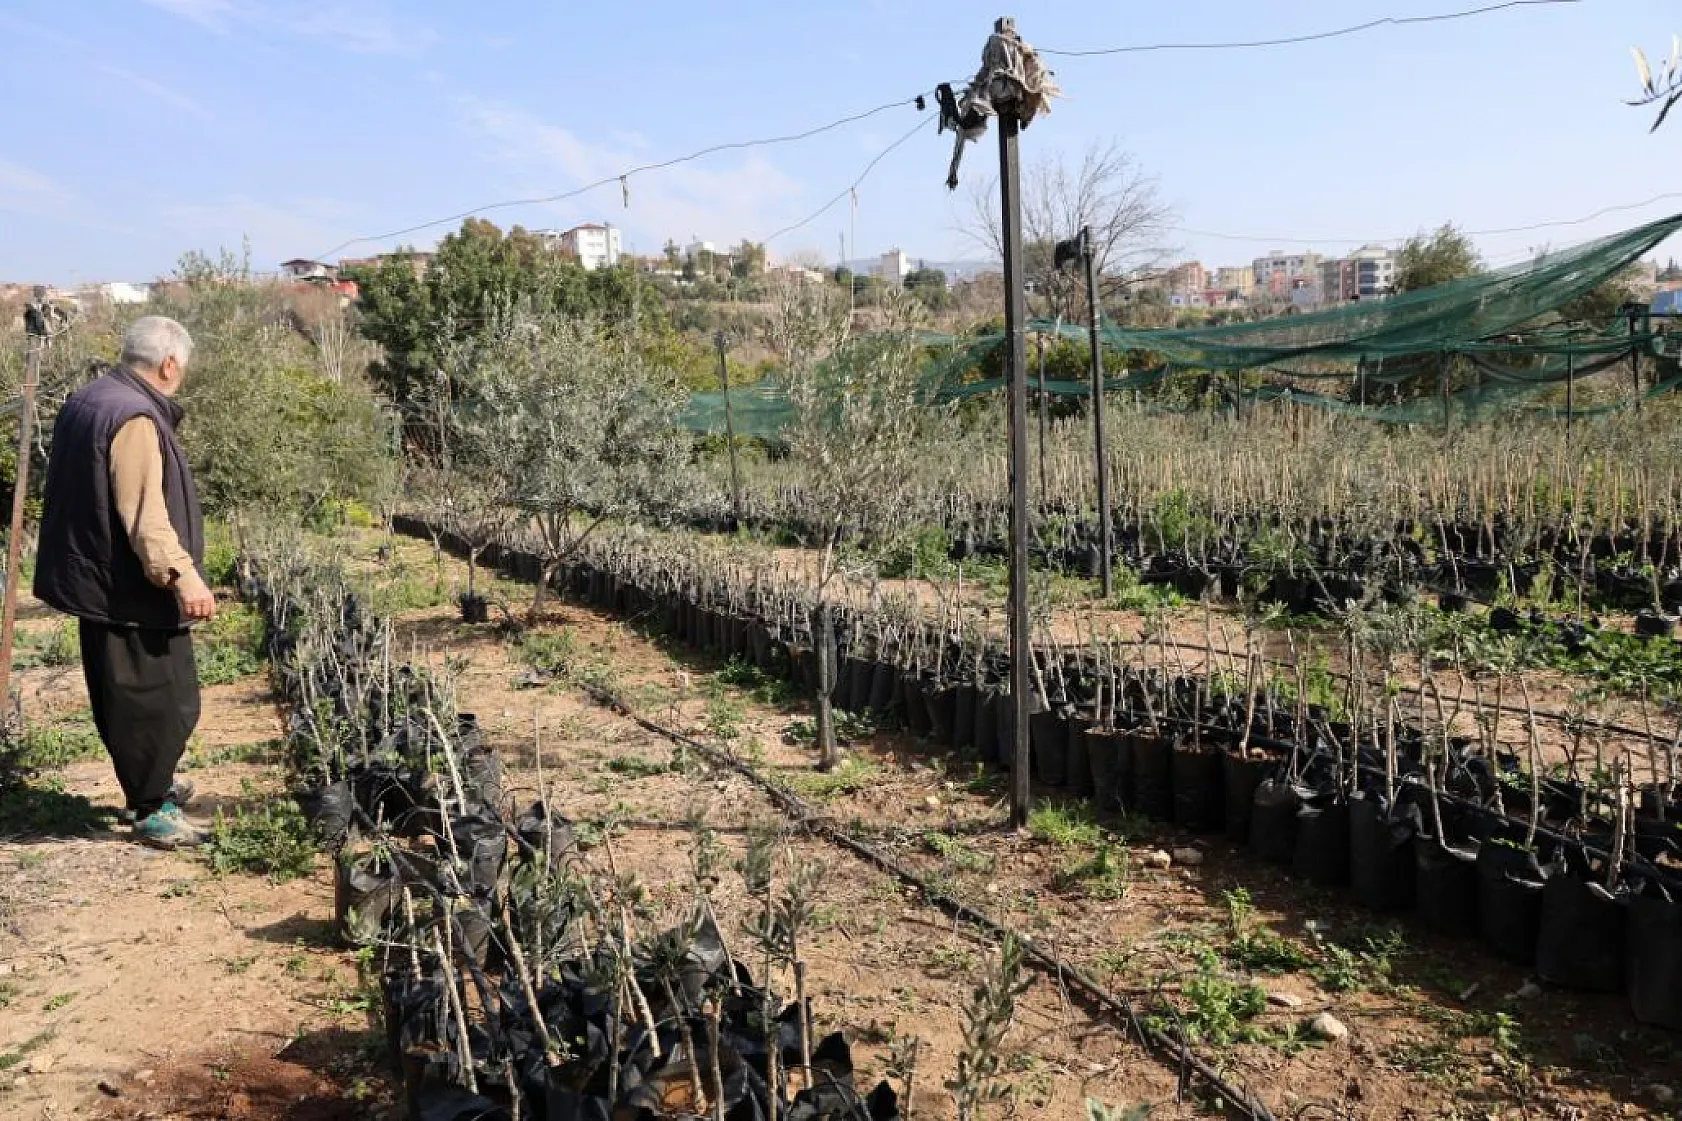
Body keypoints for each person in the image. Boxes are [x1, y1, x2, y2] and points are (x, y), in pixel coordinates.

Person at [33, 316, 215, 849]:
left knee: (135, 699)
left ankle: (151, 786)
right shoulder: (133, 416)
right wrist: (182, 577)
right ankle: (150, 806)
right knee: (158, 702)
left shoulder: (92, 397)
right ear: (168, 364)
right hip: (128, 587)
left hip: (98, 580)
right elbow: (145, 515)